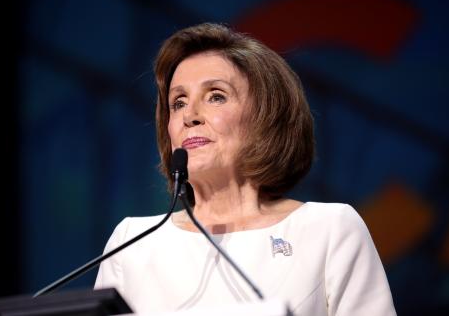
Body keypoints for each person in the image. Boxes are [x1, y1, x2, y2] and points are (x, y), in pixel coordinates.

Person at [95, 23, 396, 315]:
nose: (190, 116)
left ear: (266, 117)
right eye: (178, 102)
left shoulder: (329, 229)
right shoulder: (132, 242)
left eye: (216, 96)